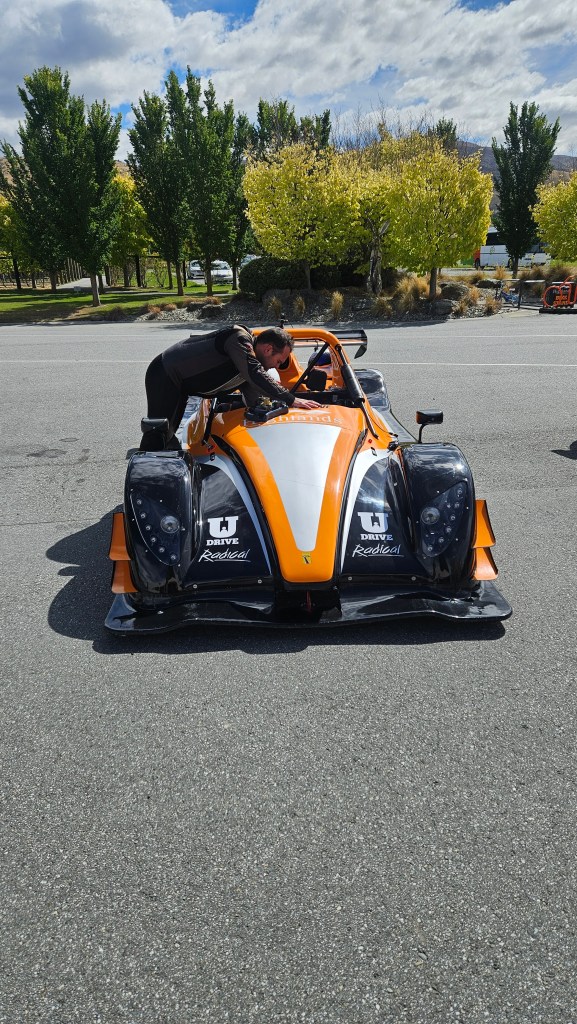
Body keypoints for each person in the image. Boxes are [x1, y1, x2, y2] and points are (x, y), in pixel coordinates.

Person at [140, 324, 322, 450]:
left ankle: (160, 467)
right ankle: (144, 482)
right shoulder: (239, 339)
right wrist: (291, 399)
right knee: (158, 432)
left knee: (168, 435)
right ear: (267, 349)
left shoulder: (247, 363)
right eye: (278, 361)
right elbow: (254, 373)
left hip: (180, 384)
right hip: (164, 373)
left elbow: (256, 402)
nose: (277, 367)